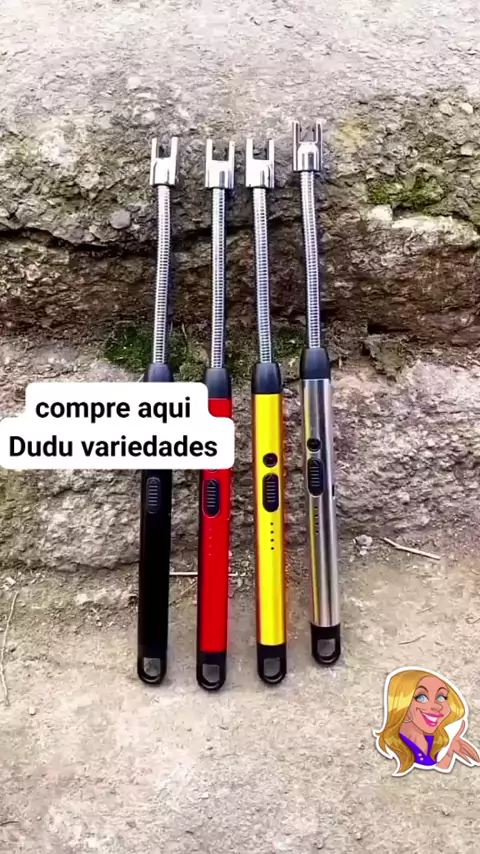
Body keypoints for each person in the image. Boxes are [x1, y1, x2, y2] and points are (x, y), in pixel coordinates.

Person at [373, 667, 480, 776]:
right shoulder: (390, 748)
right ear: (401, 703)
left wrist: (450, 749)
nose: (437, 706)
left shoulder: (438, 740)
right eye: (421, 697)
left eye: (441, 697)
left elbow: (441, 771)